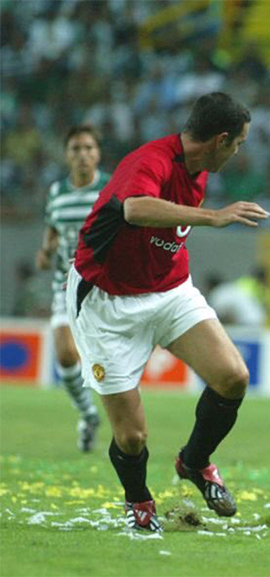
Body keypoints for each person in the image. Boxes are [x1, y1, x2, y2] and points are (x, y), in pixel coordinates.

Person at [65, 93, 270, 532]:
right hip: (107, 301)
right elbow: (135, 208)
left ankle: (194, 462)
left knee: (233, 377)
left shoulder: (199, 168)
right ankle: (138, 498)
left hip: (169, 289)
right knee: (132, 436)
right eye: (238, 144)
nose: (238, 152)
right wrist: (212, 216)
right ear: (220, 140)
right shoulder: (150, 160)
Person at [35, 125, 109, 452]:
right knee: (66, 354)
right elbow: (52, 228)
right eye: (76, 148)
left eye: (89, 148)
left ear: (98, 153)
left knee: (110, 364)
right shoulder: (56, 193)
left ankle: (125, 432)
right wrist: (45, 250)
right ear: (67, 155)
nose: (83, 154)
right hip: (64, 286)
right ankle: (88, 414)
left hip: (105, 289)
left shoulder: (111, 189)